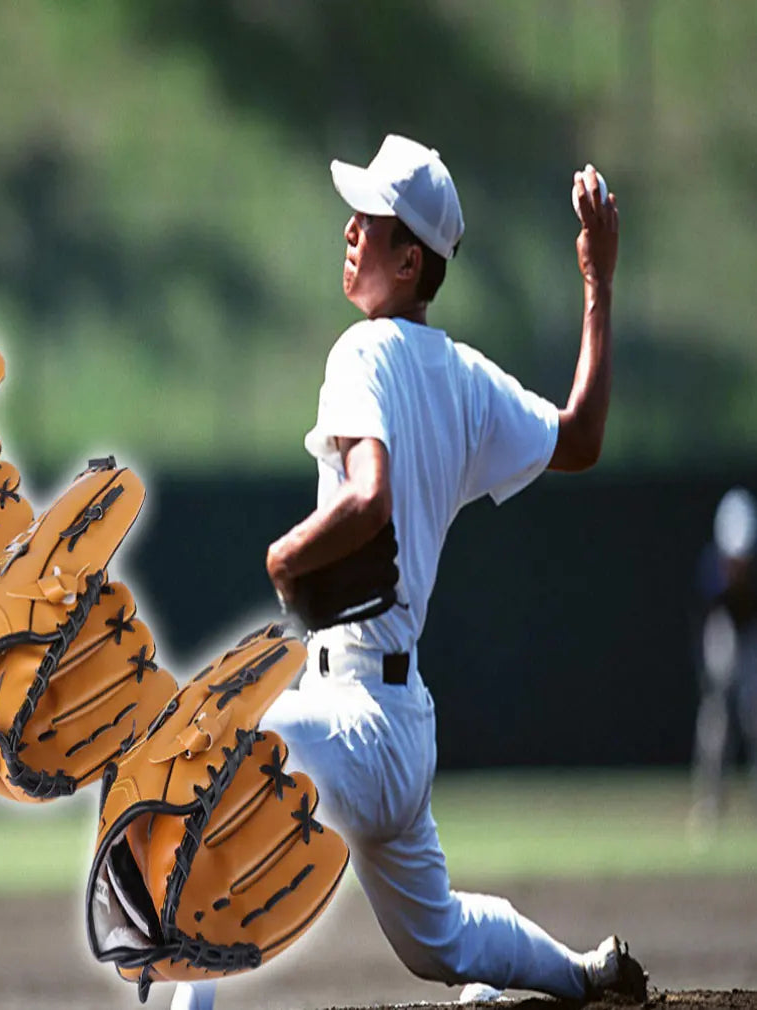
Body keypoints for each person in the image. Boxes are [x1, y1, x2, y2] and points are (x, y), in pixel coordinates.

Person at [171, 135, 643, 1010]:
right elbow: (581, 439)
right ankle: (586, 975)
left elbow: (371, 496)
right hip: (400, 727)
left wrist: (284, 555)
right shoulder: (462, 377)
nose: (350, 230)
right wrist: (598, 285)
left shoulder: (362, 353)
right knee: (444, 943)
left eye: (372, 221)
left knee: (214, 779)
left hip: (349, 721)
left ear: (409, 256)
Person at [689, 486, 757, 835]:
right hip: (727, 630)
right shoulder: (712, 569)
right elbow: (713, 626)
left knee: (753, 712)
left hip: (752, 633)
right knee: (716, 719)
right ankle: (711, 805)